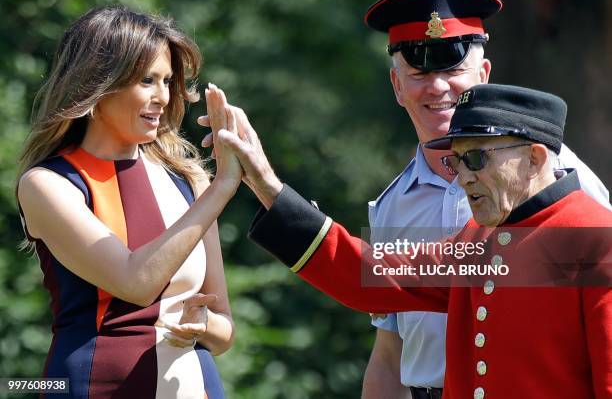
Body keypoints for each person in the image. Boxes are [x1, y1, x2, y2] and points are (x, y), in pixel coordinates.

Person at [205, 83, 612, 398]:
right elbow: (370, 273)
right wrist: (265, 184)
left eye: (477, 158)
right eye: (456, 159)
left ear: (536, 159)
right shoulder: (482, 237)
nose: (463, 175)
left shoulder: (595, 238)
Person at [359, 0, 610, 399]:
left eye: (454, 71)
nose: (438, 88)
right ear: (396, 86)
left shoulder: (562, 177)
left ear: (484, 75)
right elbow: (389, 350)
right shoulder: (390, 205)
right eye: (419, 73)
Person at [16, 6, 241, 399]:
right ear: (98, 85)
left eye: (168, 81)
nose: (162, 96)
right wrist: (223, 187)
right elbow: (135, 282)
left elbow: (224, 330)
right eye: (146, 80)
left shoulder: (190, 180)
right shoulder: (48, 184)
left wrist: (202, 325)